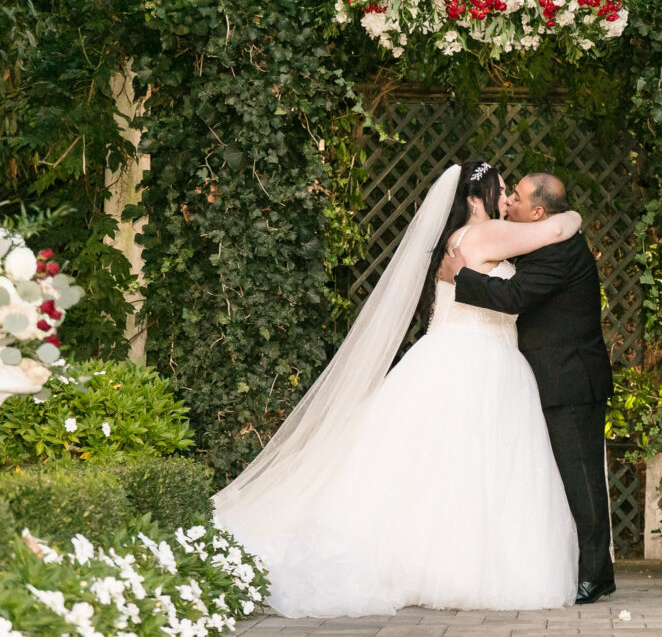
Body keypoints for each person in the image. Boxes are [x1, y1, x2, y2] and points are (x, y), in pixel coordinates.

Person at [213, 162, 583, 617]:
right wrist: (574, 217)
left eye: (510, 193)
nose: (506, 200)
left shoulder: (461, 240)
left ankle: (428, 561)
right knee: (470, 467)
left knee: (441, 467)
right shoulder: (484, 235)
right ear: (473, 200)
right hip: (474, 360)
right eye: (501, 191)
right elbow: (551, 232)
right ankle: (456, 566)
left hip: (459, 355)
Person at [439, 172, 616, 604]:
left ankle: (597, 575)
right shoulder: (545, 238)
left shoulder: (559, 251)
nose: (509, 202)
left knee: (583, 480)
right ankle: (583, 567)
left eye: (515, 197)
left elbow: (516, 296)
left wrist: (461, 275)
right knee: (559, 479)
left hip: (569, 377)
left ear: (537, 211)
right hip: (550, 376)